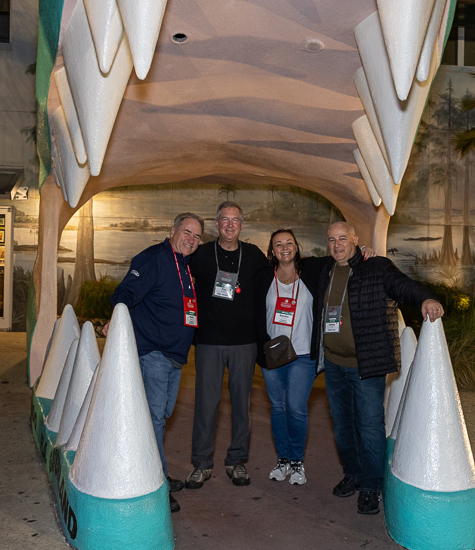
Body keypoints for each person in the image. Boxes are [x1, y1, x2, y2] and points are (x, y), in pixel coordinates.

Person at [312, 221, 443, 516]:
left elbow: (402, 286)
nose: (337, 245)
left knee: (370, 426)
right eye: (331, 239)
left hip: (366, 365)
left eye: (343, 238)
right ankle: (353, 473)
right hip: (333, 364)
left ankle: (371, 485)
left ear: (355, 240)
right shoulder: (325, 270)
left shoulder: (376, 267)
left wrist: (426, 298)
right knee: (342, 424)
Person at [107, 212, 204, 513]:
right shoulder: (153, 258)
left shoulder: (184, 265)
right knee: (154, 420)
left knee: (161, 416)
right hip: (153, 354)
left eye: (197, 236)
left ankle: (157, 472)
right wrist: (115, 319)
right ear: (172, 230)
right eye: (187, 232)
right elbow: (124, 293)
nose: (191, 239)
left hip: (174, 357)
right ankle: (155, 483)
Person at [184, 202, 267, 488]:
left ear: (241, 225)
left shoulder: (253, 254)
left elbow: (282, 273)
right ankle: (201, 463)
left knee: (242, 405)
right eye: (225, 220)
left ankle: (236, 461)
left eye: (235, 220)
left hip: (245, 343)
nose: (230, 225)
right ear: (217, 223)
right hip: (209, 342)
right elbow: (175, 262)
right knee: (206, 404)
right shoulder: (202, 254)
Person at [255, 229, 327, 486]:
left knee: (296, 407)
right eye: (278, 244)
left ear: (296, 246)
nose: (284, 248)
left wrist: (364, 251)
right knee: (278, 407)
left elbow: (342, 256)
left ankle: (297, 461)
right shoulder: (264, 277)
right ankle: (282, 459)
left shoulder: (312, 271)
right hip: (273, 355)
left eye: (289, 243)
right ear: (272, 251)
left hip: (303, 354)